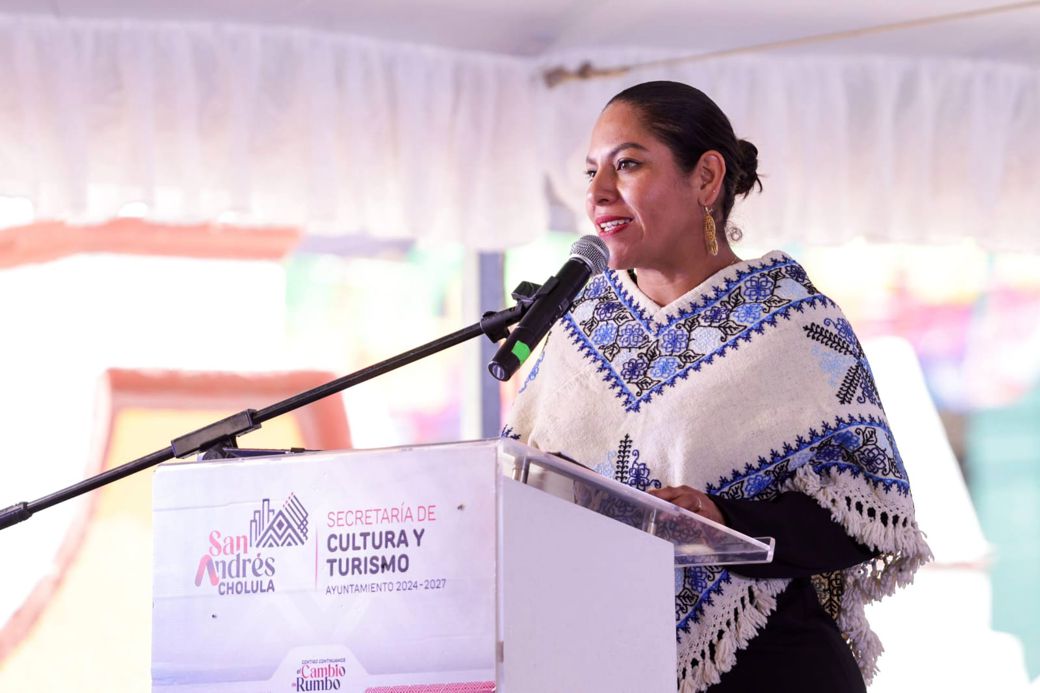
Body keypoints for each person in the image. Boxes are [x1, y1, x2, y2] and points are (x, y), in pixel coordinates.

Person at [502, 81, 931, 692]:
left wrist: (723, 516)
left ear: (705, 178)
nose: (597, 193)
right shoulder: (579, 324)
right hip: (606, 663)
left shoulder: (792, 321)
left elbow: (868, 511)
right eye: (592, 171)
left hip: (772, 670)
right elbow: (520, 479)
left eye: (627, 165)